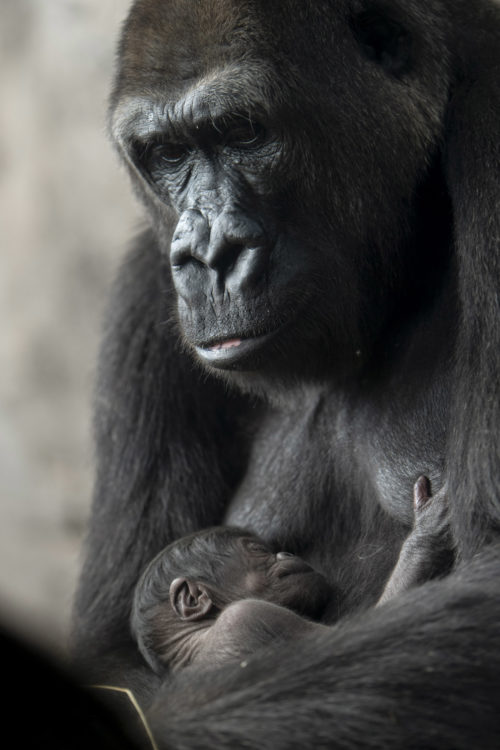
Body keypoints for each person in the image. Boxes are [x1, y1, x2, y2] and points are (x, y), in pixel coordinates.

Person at [132, 477, 452, 674]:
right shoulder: (237, 624)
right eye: (259, 554)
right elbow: (370, 648)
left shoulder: (184, 693)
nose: (285, 556)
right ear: (193, 599)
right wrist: (423, 542)